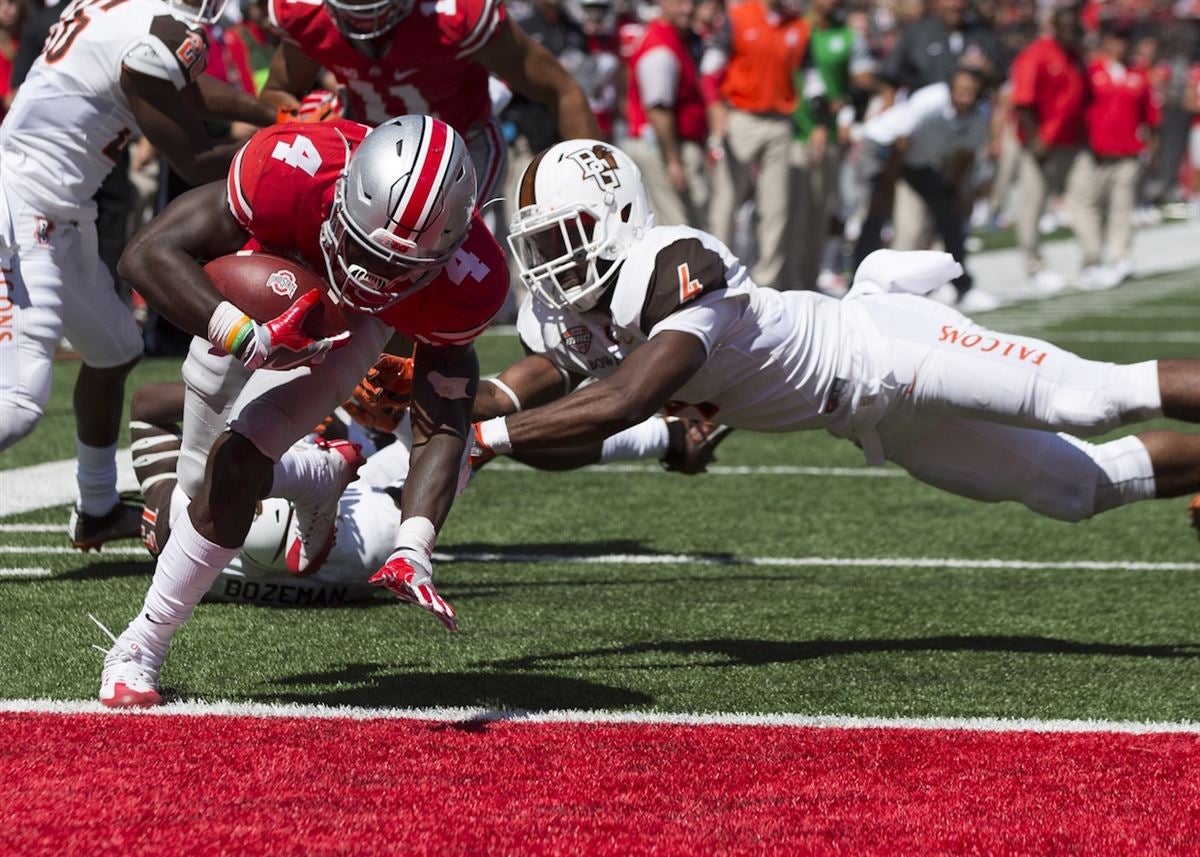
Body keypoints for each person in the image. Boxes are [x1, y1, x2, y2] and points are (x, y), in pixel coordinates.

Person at [479, 139, 1200, 554]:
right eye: (541, 243)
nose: (553, 261)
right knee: (1077, 490)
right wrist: (439, 403)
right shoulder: (566, 316)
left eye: (565, 236)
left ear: (621, 215)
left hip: (888, 349)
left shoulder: (673, 264)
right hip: (871, 418)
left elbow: (622, 400)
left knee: (1089, 397)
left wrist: (484, 436)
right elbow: (520, 403)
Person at [95, 115, 510, 708]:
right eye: (368, 251)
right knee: (192, 483)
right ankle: (315, 476)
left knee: (235, 466)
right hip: (258, 293)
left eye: (399, 269)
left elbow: (443, 417)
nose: (373, 276)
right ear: (341, 198)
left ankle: (140, 645)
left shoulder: (471, 275)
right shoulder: (293, 165)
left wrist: (413, 545)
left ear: (445, 250)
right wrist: (241, 333)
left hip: (357, 329)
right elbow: (146, 254)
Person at [126, 356, 730, 609]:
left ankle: (663, 431)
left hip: (323, 519)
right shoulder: (367, 533)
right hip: (355, 517)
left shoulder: (181, 524)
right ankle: (586, 360)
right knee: (474, 416)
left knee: (449, 414)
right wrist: (333, 412)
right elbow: (154, 406)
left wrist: (161, 486)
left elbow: (150, 406)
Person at [0, 0, 276, 550]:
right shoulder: (157, 32)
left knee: (116, 346)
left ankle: (98, 507)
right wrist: (287, 149)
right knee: (20, 399)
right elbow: (195, 160)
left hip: (61, 211)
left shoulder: (127, 14)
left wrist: (270, 113)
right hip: (21, 203)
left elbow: (184, 94)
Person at [259, 0, 601, 202]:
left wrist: (595, 187)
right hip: (367, 155)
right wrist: (304, 122)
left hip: (461, 151)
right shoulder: (308, 15)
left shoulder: (454, 17)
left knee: (428, 280)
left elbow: (561, 89)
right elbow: (276, 93)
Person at [855, 70, 995, 311]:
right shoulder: (928, 102)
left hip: (916, 162)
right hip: (884, 152)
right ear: (950, 90)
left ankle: (962, 285)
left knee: (950, 217)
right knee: (880, 216)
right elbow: (899, 141)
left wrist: (953, 188)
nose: (963, 98)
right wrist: (887, 189)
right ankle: (860, 285)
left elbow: (966, 153)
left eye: (970, 93)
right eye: (959, 91)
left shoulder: (979, 116)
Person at [703, 0, 809, 289]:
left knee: (776, 207)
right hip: (740, 117)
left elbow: (810, 77)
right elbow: (710, 66)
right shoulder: (739, 16)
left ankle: (767, 284)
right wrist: (715, 108)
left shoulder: (798, 25)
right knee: (726, 200)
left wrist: (819, 123)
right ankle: (715, 277)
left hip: (780, 122)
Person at [1073, 21, 1160, 290]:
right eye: (1115, 38)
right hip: (1094, 152)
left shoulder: (1139, 73)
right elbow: (1077, 110)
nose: (1120, 44)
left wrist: (1152, 150)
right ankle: (1092, 258)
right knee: (1086, 206)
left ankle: (1120, 257)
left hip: (1127, 154)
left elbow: (1151, 117)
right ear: (1106, 41)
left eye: (1124, 39)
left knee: (1122, 209)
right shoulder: (1091, 71)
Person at [1009, 4, 1090, 294]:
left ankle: (1091, 260)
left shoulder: (1076, 57)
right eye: (1065, 26)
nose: (1071, 32)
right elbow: (1023, 101)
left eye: (1075, 27)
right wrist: (1035, 140)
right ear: (1054, 27)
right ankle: (1034, 265)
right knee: (1033, 204)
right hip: (1040, 145)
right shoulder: (1036, 54)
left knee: (1084, 199)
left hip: (1070, 143)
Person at [624, 0, 710, 230]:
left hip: (672, 145)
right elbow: (658, 109)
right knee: (677, 229)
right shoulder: (659, 46)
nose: (688, 8)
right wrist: (673, 161)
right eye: (680, 2)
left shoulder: (678, 38)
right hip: (661, 148)